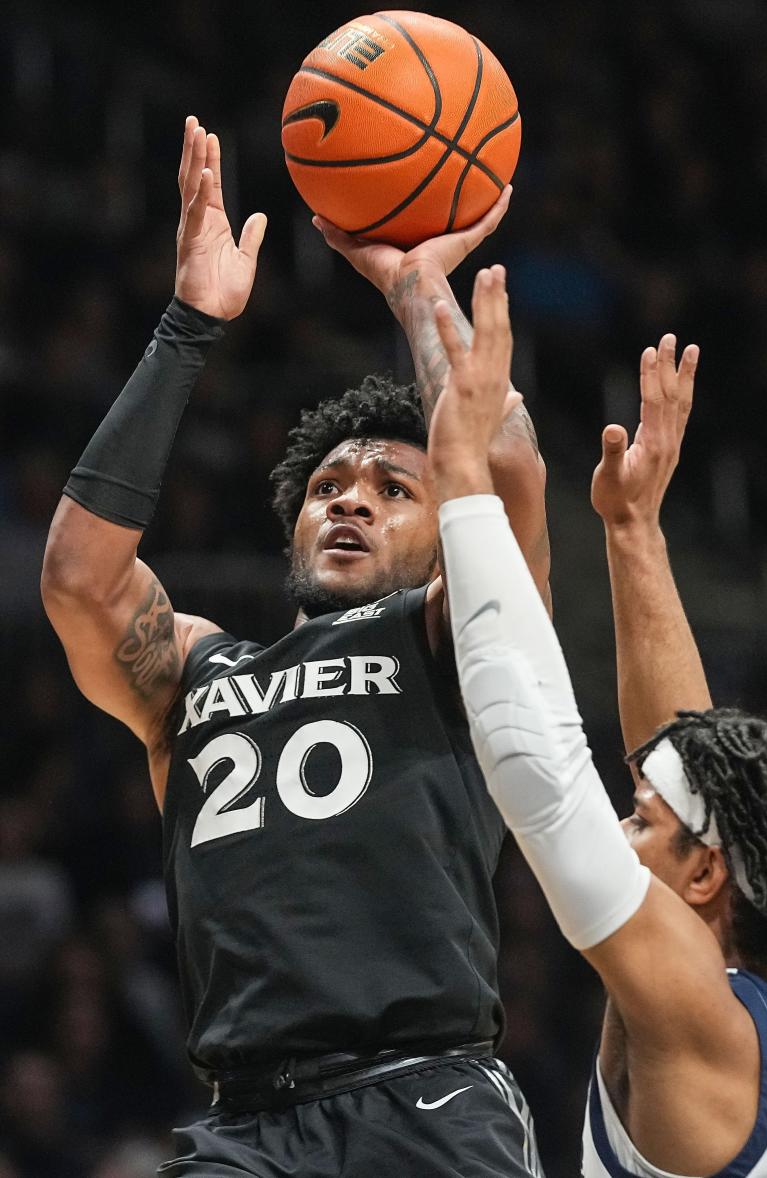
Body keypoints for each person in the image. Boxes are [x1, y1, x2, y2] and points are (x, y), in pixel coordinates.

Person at [41, 116, 548, 1177]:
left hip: (427, 1096)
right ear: (294, 527)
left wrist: (416, 287)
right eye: (329, 489)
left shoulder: (453, 635)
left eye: (392, 488)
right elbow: (80, 580)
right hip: (246, 1121)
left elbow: (504, 467)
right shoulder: (198, 667)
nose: (352, 500)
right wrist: (187, 324)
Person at [426, 273, 767, 1177]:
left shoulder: (699, 1018)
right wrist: (634, 532)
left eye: (642, 822)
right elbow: (681, 755)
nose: (621, 826)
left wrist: (462, 482)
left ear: (706, 872)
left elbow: (538, 777)